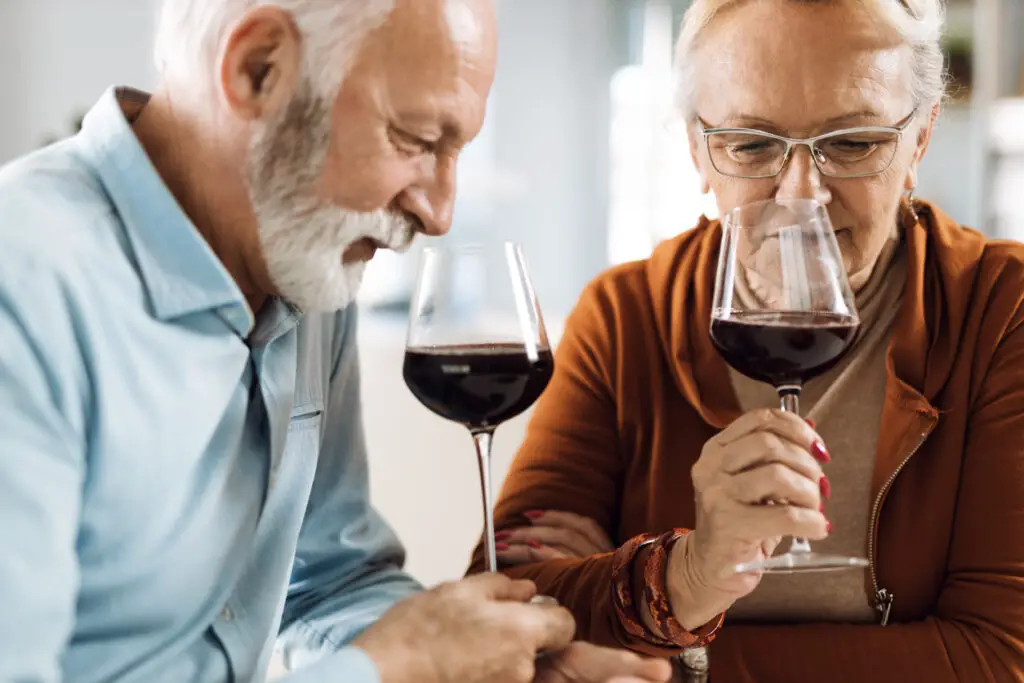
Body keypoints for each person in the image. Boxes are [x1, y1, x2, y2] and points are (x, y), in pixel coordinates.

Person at [0, 1, 675, 682]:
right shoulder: (24, 290)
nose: (438, 214)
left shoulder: (301, 257)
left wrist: (485, 666)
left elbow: (330, 582)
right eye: (415, 139)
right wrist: (399, 664)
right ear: (258, 69)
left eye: (457, 150)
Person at [478, 0, 1024, 681]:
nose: (803, 194)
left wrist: (680, 663)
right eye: (752, 144)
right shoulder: (624, 316)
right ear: (697, 150)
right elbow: (504, 613)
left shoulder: (1004, 310)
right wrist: (685, 573)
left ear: (918, 140)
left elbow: (999, 659)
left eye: (853, 142)